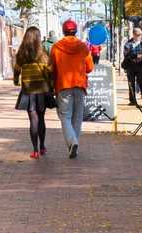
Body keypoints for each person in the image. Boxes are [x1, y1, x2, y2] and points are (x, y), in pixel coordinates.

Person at [50, 19, 94, 159]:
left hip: (63, 85)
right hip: (80, 85)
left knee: (65, 116)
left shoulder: (56, 47)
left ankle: (72, 142)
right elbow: (90, 67)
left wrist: (52, 85)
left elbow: (52, 69)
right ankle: (74, 143)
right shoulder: (83, 47)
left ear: (63, 31)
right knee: (77, 117)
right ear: (75, 31)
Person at [13, 26, 53, 159]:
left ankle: (35, 150)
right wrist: (52, 85)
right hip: (42, 90)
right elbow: (49, 70)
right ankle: (42, 147)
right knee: (41, 118)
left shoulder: (21, 53)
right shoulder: (42, 53)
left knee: (33, 120)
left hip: (28, 90)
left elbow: (17, 69)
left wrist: (16, 80)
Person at [122, 27, 142, 106]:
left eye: (140, 35)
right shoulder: (128, 43)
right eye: (137, 35)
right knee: (131, 84)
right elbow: (126, 54)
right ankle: (132, 100)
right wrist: (136, 56)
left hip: (141, 65)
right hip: (130, 66)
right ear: (133, 35)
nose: (139, 36)